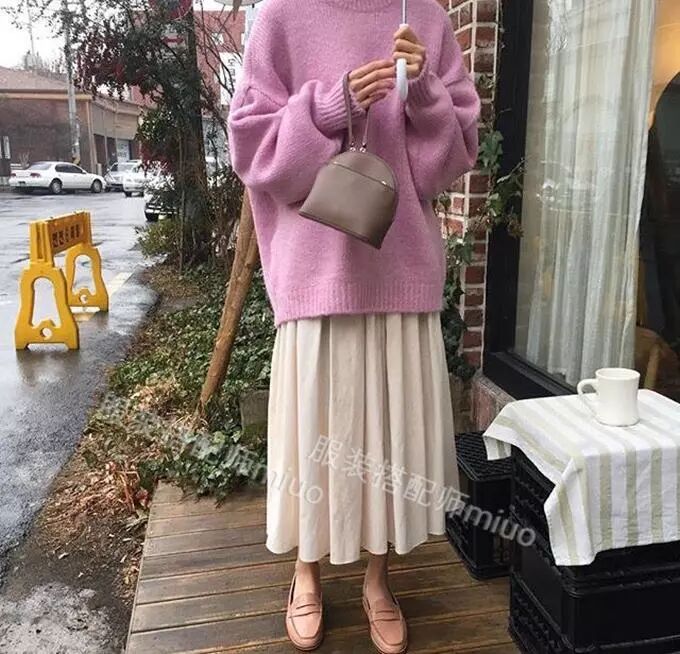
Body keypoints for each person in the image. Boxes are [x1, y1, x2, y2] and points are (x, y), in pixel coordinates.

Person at [228, 0, 479, 651]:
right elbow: (251, 146)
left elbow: (446, 164)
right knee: (314, 433)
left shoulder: (423, 15)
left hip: (401, 270)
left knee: (386, 443)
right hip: (316, 275)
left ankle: (377, 578)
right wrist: (328, 107)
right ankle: (306, 571)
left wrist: (425, 94)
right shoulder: (281, 16)